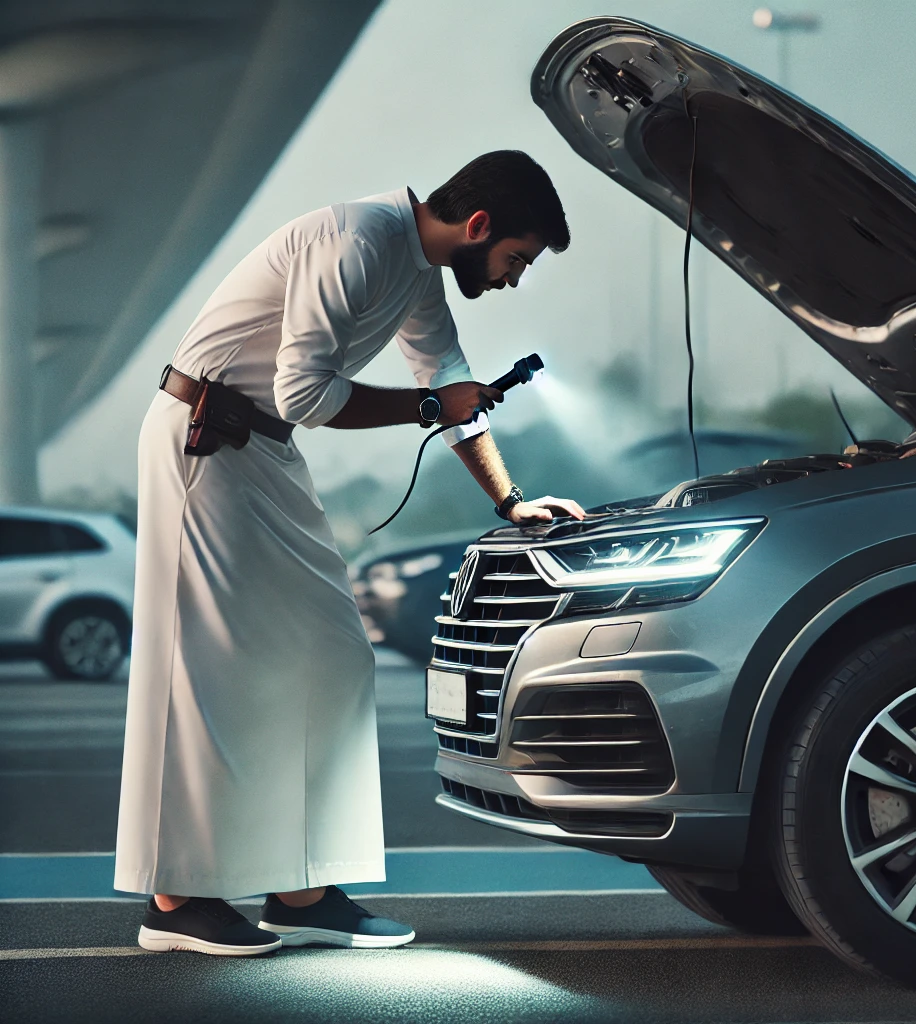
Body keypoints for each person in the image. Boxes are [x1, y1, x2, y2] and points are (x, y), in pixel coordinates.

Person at [113, 151, 584, 956]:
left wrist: (508, 499)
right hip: (204, 441)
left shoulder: (417, 271)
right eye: (515, 259)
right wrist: (429, 405)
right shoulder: (360, 241)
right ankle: (174, 899)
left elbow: (451, 384)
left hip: (261, 448)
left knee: (334, 652)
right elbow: (309, 395)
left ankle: (299, 889)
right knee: (204, 662)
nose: (512, 279)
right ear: (478, 227)